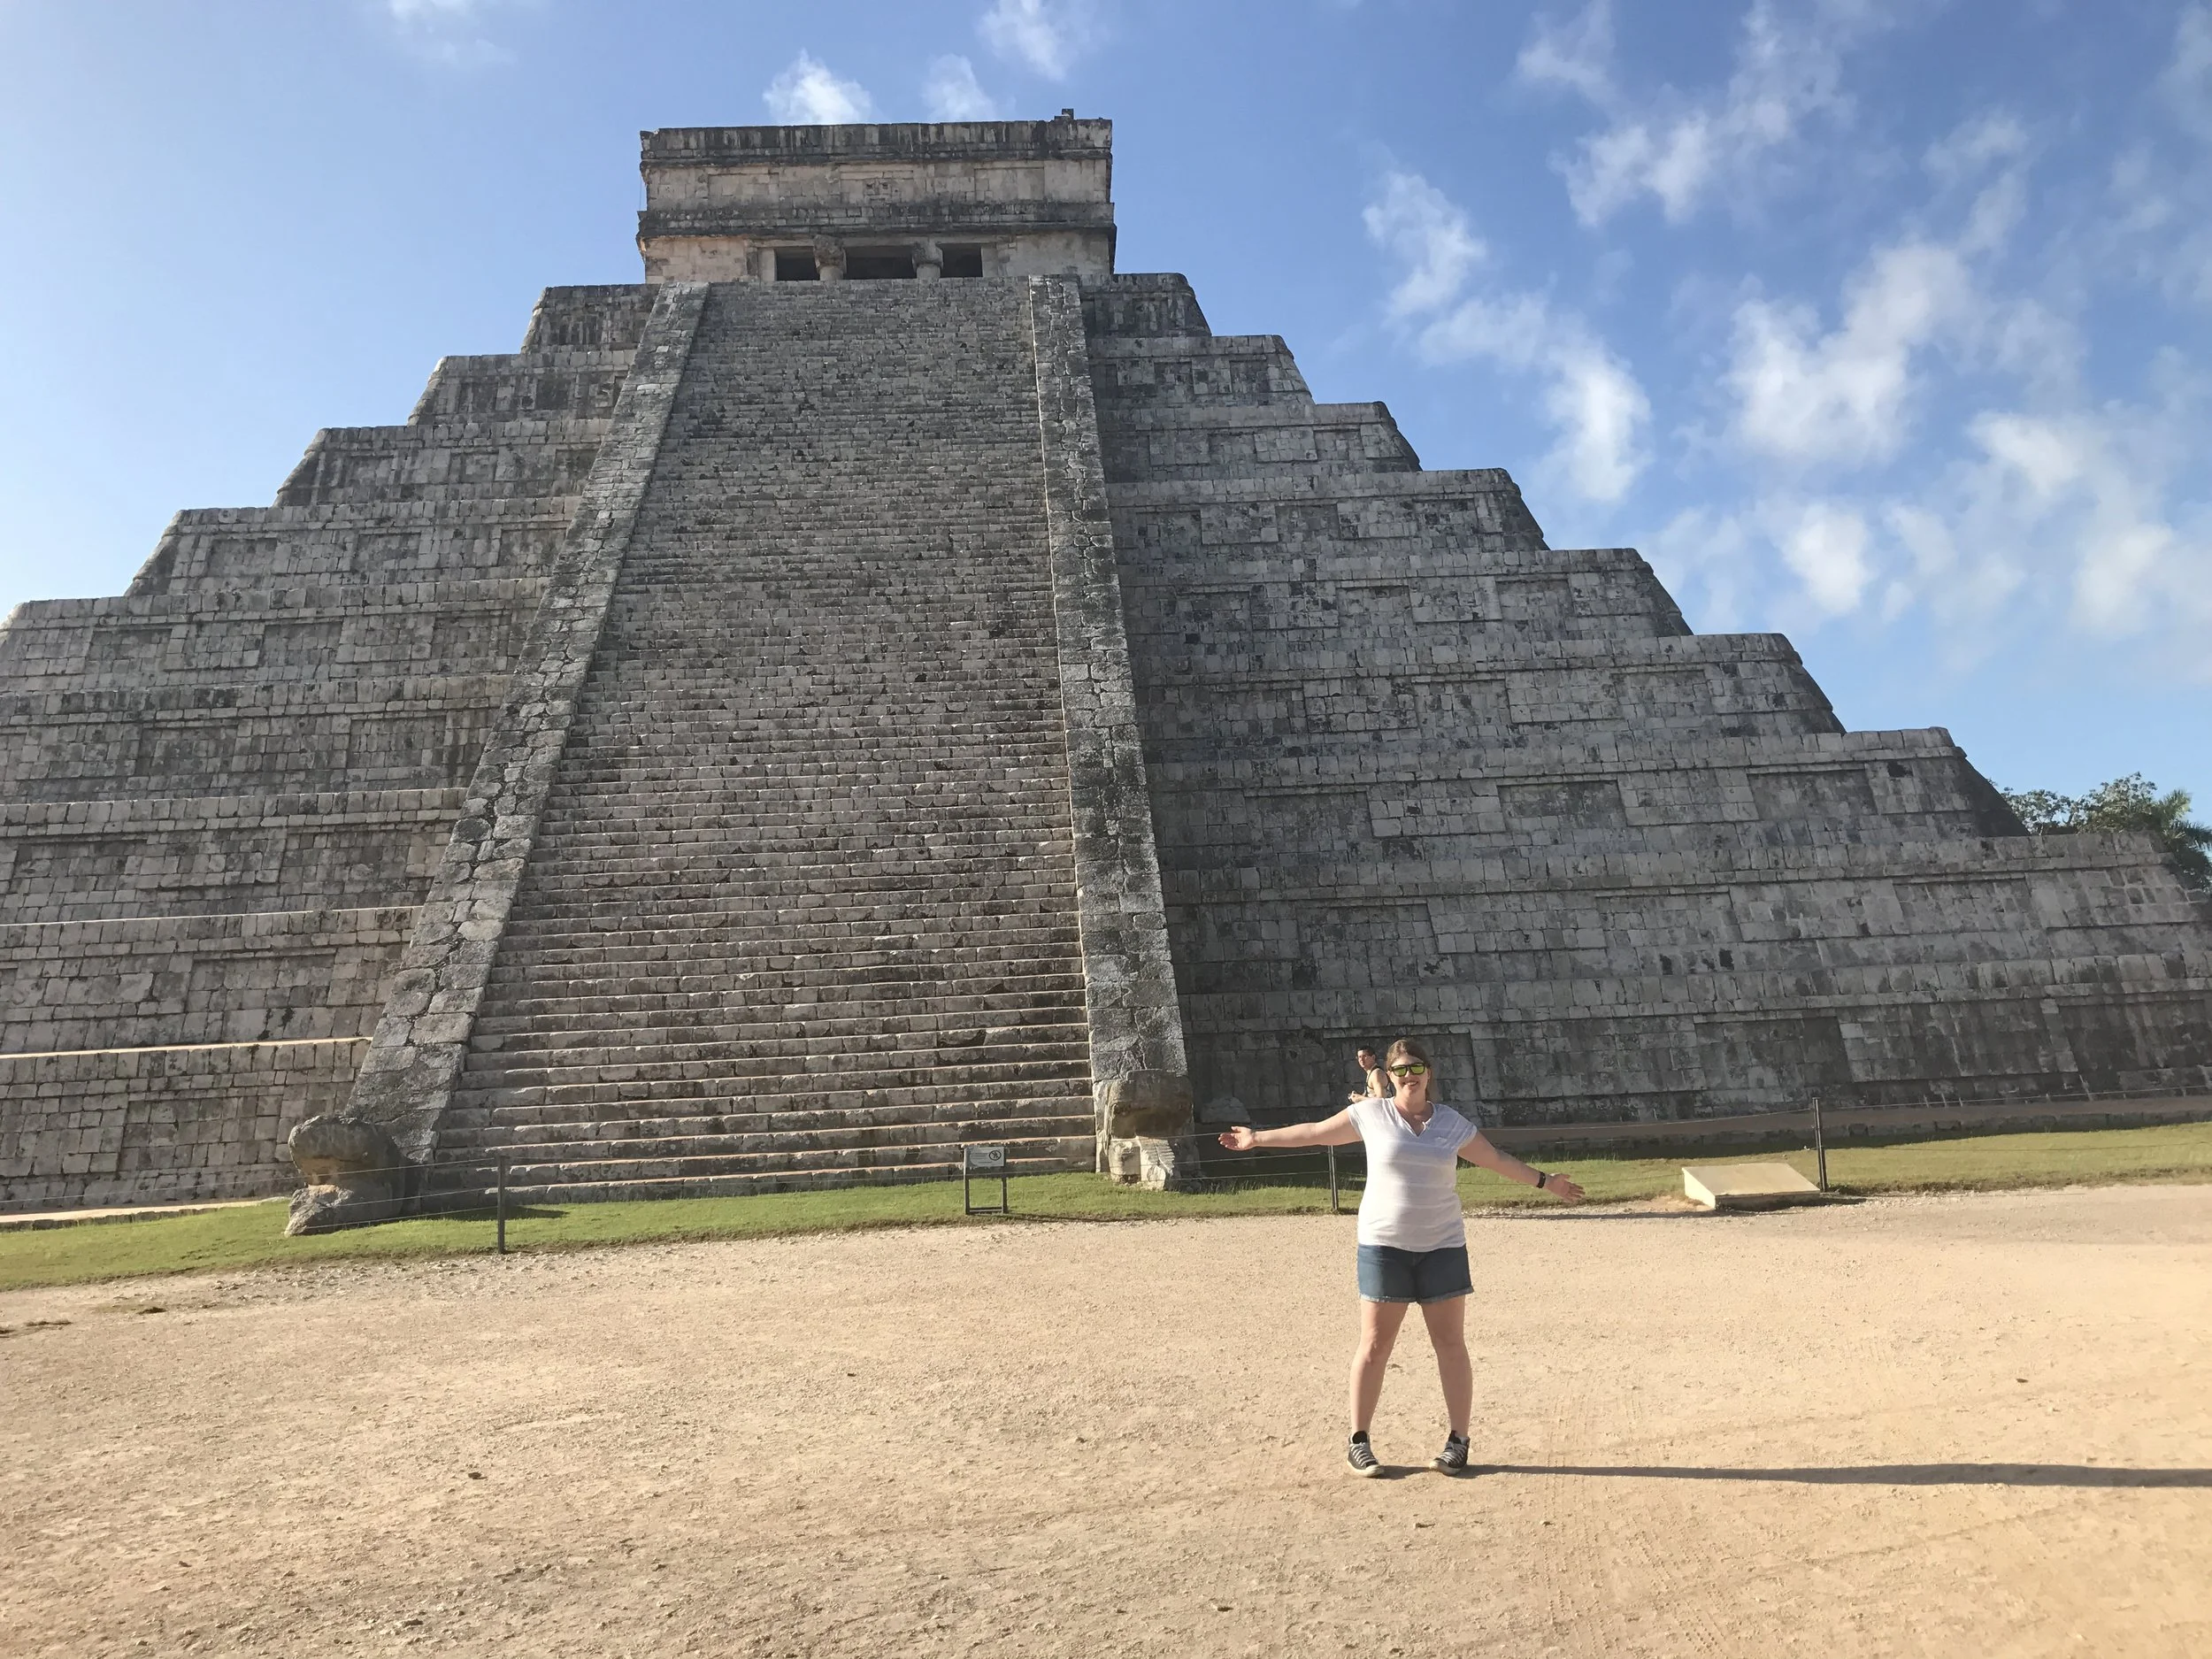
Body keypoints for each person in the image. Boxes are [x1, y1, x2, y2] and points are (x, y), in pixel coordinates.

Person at [1217, 1036, 1585, 1476]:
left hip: (1442, 1247)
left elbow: (1497, 1160)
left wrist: (1547, 1182)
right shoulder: (1371, 1115)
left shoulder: (1451, 1123)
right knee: (1374, 1346)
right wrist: (1257, 1138)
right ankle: (1359, 1440)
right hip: (1384, 1247)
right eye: (1400, 1070)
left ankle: (1458, 1441)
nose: (1409, 1076)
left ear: (1430, 1073)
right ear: (1388, 1078)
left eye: (1416, 1068)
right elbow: (1314, 1133)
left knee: (1449, 1344)